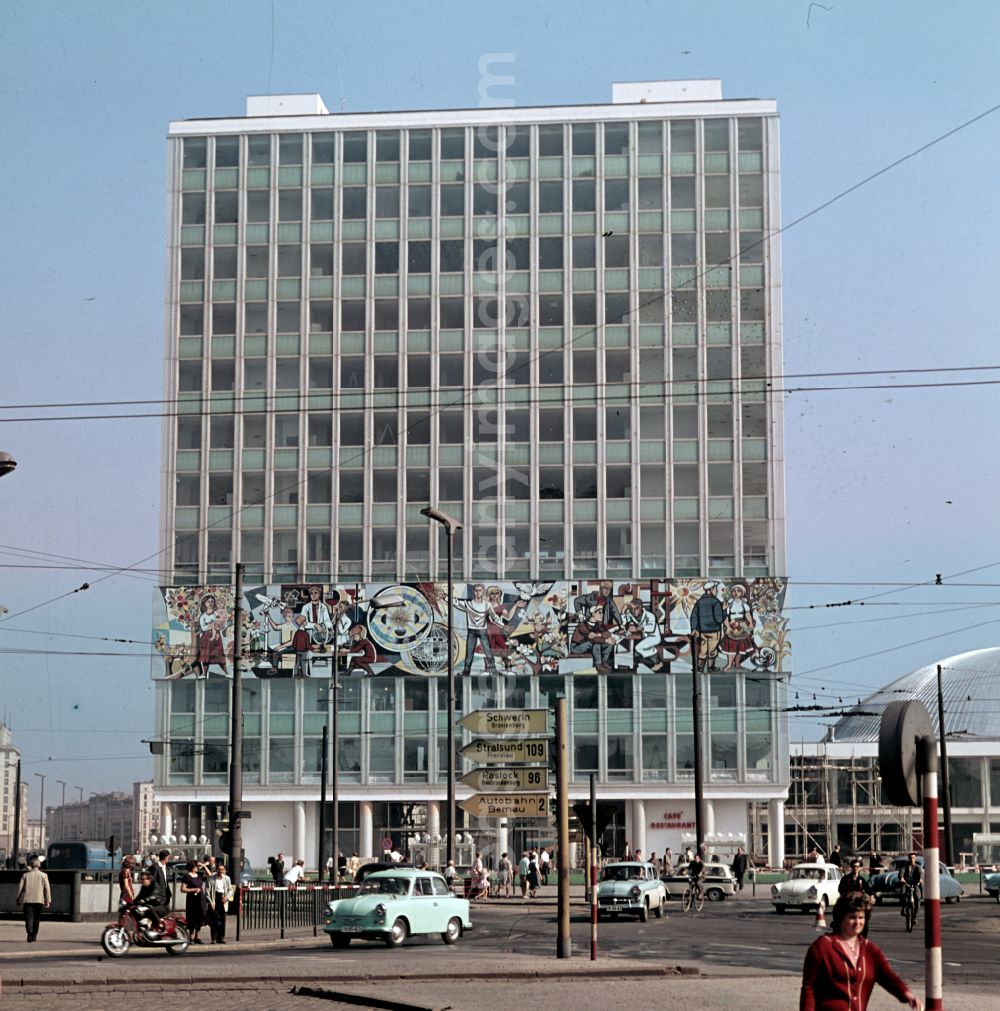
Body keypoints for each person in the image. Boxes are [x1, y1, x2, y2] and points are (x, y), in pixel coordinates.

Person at [800, 893, 922, 1011]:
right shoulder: (822, 947)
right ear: (841, 917)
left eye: (861, 917)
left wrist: (907, 994)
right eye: (852, 917)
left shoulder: (870, 950)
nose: (858, 922)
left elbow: (888, 977)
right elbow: (808, 988)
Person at [690, 580, 725, 671]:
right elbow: (719, 619)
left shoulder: (699, 602)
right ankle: (711, 668)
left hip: (702, 631)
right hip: (714, 631)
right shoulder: (716, 602)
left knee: (703, 650)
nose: (716, 591)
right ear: (711, 589)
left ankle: (700, 667)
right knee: (712, 651)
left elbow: (694, 616)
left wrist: (694, 628)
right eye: (715, 589)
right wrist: (724, 610)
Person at [15, 856, 51, 943]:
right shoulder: (44, 875)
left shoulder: (25, 875)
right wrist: (47, 900)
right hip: (39, 900)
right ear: (39, 865)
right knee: (37, 918)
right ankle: (34, 935)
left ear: (31, 865)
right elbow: (47, 888)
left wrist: (18, 899)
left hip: (28, 900)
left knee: (28, 918)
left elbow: (20, 888)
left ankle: (29, 933)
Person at [132, 868, 170, 936]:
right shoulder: (144, 887)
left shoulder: (154, 885)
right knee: (137, 911)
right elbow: (139, 896)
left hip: (162, 906)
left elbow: (154, 895)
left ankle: (160, 926)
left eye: (143, 879)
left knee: (152, 910)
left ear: (149, 879)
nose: (141, 881)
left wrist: (145, 900)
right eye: (141, 879)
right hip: (151, 905)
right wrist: (132, 903)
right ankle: (144, 928)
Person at [180, 860, 206, 943]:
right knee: (192, 918)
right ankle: (190, 937)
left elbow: (209, 874)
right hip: (192, 900)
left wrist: (203, 865)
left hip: (200, 899)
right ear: (192, 867)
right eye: (196, 866)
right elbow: (183, 889)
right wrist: (193, 889)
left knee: (200, 917)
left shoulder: (199, 875)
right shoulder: (187, 876)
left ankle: (196, 937)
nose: (197, 867)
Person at [208, 862, 232, 944]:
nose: (220, 871)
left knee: (222, 920)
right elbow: (207, 892)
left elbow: (230, 890)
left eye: (222, 869)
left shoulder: (227, 878)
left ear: (224, 870)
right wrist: (211, 902)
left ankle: (221, 938)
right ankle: (213, 938)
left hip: (223, 899)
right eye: (219, 869)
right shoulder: (211, 878)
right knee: (214, 919)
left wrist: (226, 897)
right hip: (214, 899)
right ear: (216, 869)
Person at [898, 852, 922, 919]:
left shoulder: (918, 867)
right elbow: (901, 872)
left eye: (913, 858)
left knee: (918, 897)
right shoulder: (904, 866)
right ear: (908, 858)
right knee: (902, 894)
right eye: (910, 858)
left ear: (915, 858)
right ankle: (903, 908)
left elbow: (920, 874)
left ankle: (916, 915)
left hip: (915, 884)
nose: (912, 859)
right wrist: (902, 878)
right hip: (906, 883)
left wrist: (920, 879)